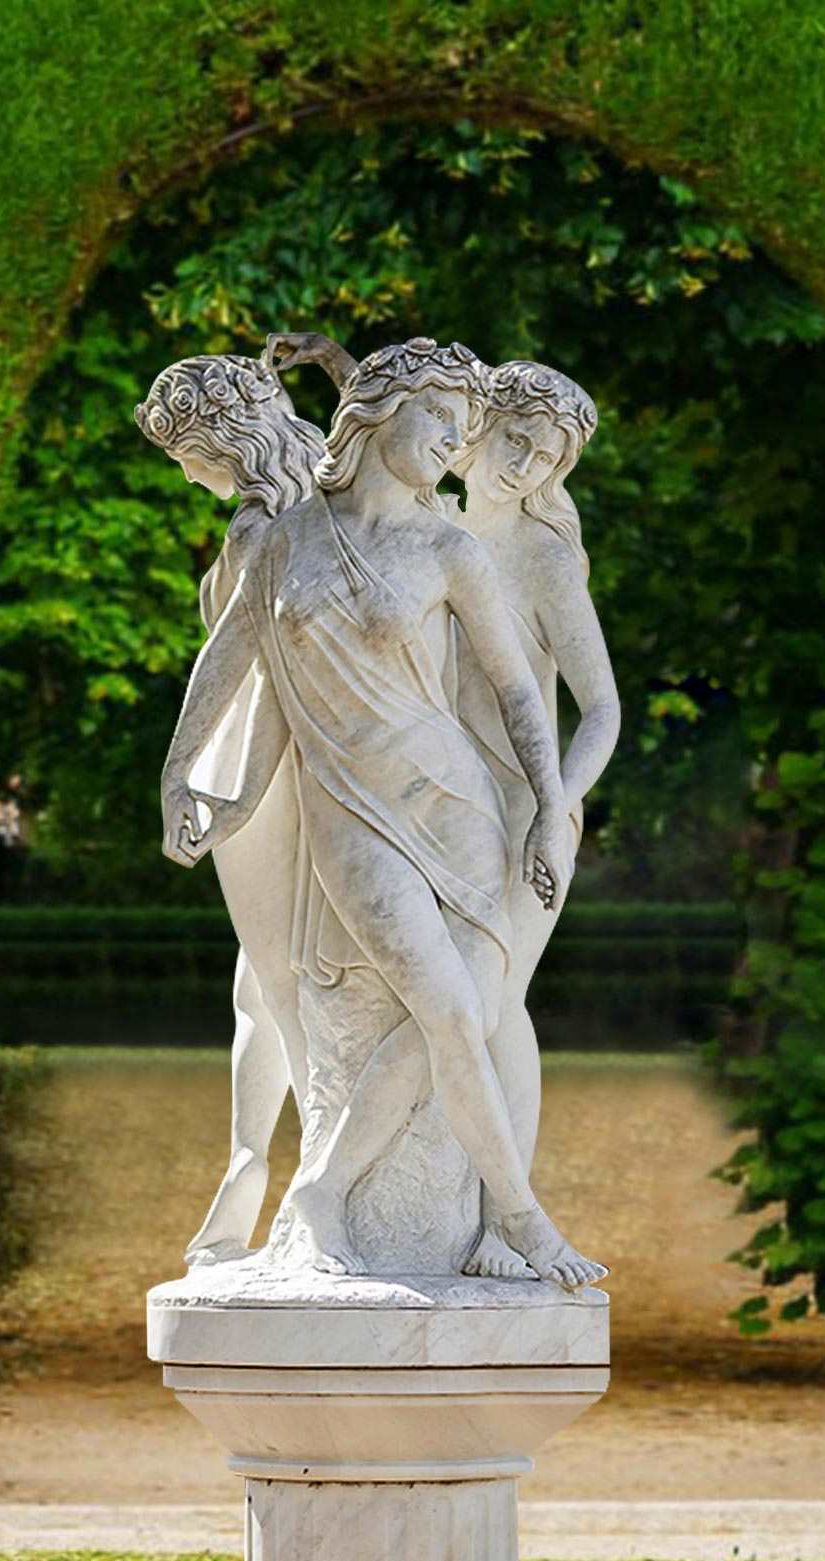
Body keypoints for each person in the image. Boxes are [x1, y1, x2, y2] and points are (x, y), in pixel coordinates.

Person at [158, 338, 604, 1290]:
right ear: (373, 414)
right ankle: (525, 1219)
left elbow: (521, 694)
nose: (453, 440)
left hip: (460, 809)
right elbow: (234, 667)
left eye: (460, 423)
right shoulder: (281, 542)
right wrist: (184, 777)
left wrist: (545, 813)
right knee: (444, 1006)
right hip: (353, 815)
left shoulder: (448, 548)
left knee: (470, 1009)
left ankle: (320, 1195)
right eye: (436, 417)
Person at [133, 353, 322, 1264]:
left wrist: (186, 777)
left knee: (276, 989)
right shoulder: (335, 488)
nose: (184, 473)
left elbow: (230, 667)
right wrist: (334, 363)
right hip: (315, 766)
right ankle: (255, 1185)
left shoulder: (259, 529)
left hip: (260, 774)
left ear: (226, 442)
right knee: (270, 988)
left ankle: (292, 1181)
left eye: (187, 453)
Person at [448, 361, 622, 1277]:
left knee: (493, 1007)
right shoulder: (426, 530)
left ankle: (502, 1221)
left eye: (545, 456)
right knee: (440, 1010)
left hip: (522, 811)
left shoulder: (542, 558)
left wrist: (556, 811)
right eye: (514, 437)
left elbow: (602, 709)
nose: (523, 464)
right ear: (476, 426)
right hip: (427, 808)